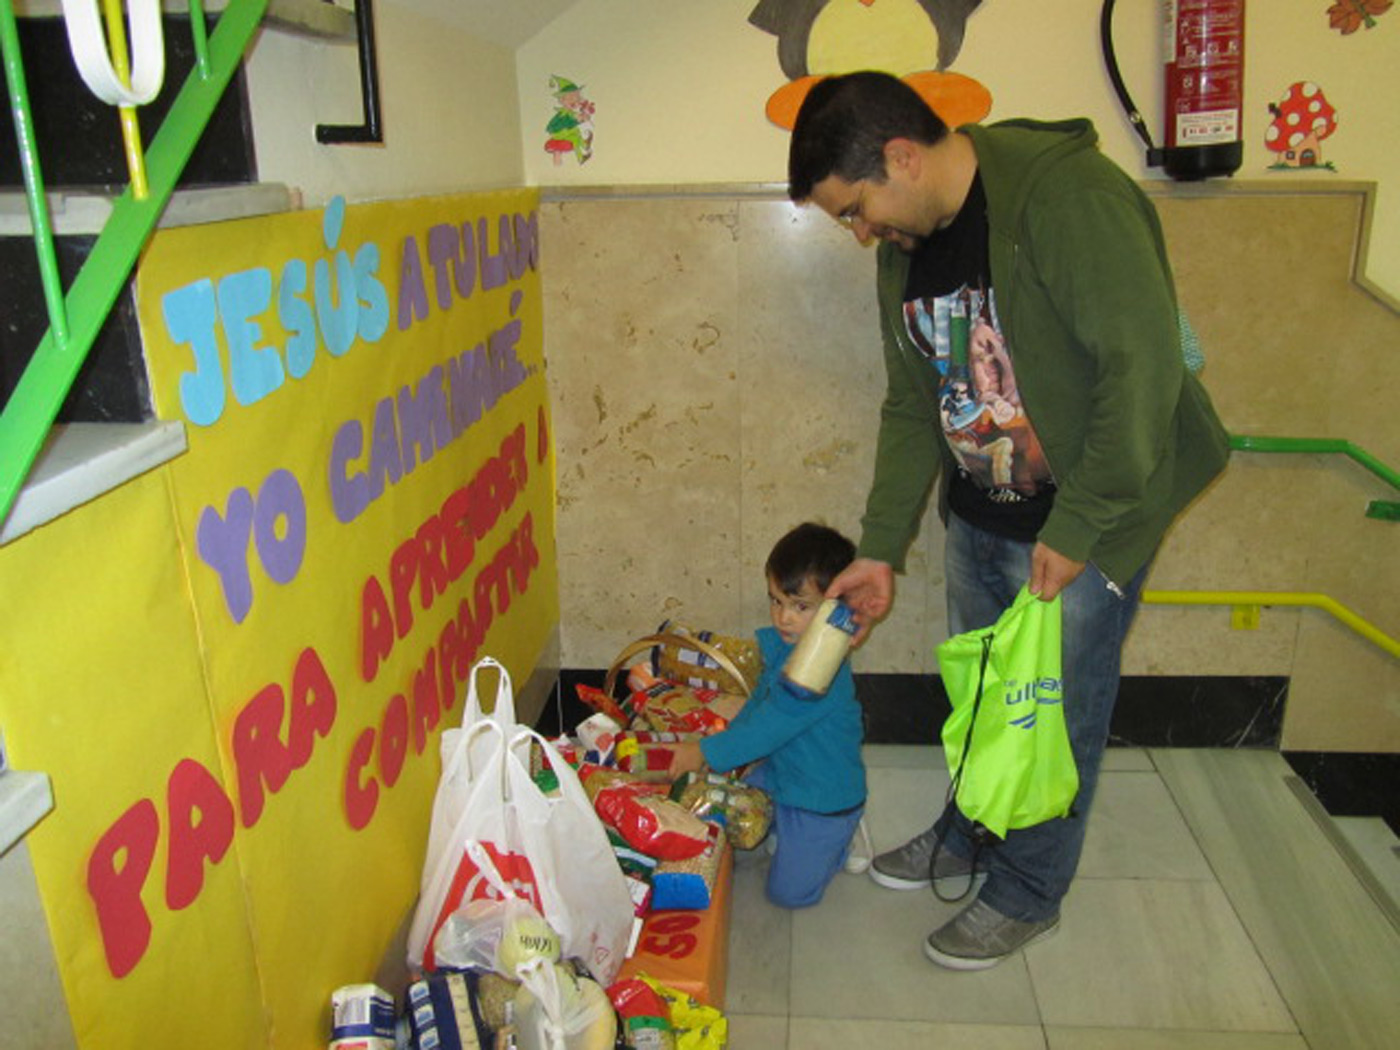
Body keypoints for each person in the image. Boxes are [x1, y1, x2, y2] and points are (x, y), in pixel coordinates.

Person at [786, 72, 1230, 969]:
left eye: (856, 208)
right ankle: (971, 834)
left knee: (1054, 714)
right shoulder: (903, 250)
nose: (861, 232)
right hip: (982, 510)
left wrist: (1079, 529)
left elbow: (1139, 375)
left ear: (901, 156)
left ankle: (1030, 890)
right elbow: (914, 406)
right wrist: (878, 550)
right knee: (988, 701)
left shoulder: (1068, 198)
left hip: (1088, 522)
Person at [667, 522, 867, 909]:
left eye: (800, 606)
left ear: (836, 611)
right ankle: (791, 828)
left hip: (822, 800)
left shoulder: (820, 672)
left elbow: (772, 723)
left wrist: (707, 752)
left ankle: (843, 838)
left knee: (789, 895)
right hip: (781, 773)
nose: (783, 617)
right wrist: (728, 749)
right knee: (730, 801)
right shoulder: (784, 648)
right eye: (777, 600)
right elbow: (759, 703)